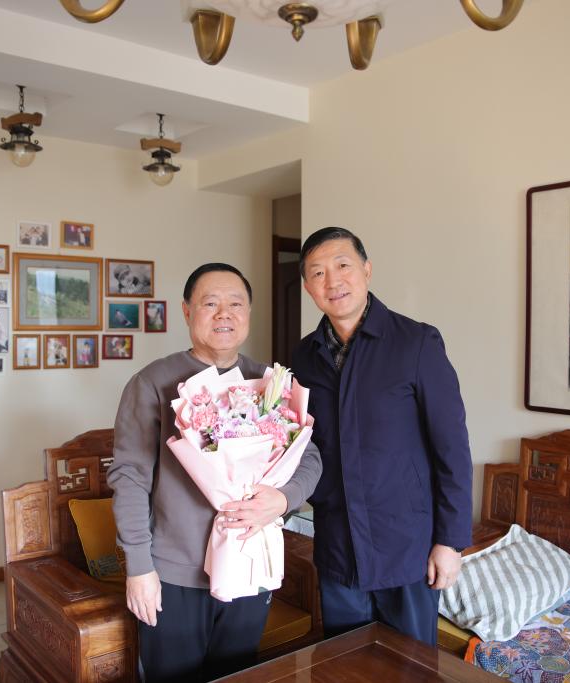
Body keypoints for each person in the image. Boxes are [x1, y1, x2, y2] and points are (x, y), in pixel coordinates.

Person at [107, 263, 322, 683]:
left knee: (239, 675)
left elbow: (310, 457)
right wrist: (139, 568)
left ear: (248, 313)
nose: (224, 313)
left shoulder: (270, 383)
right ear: (187, 311)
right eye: (210, 303)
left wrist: (283, 499)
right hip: (175, 574)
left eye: (235, 304)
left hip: (249, 564)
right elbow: (129, 478)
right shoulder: (153, 382)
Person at [292, 227, 473, 647]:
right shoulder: (303, 357)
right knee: (345, 664)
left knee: (411, 667)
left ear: (367, 270)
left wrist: (450, 542)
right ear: (308, 288)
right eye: (318, 273)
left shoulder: (416, 343)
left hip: (407, 548)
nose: (332, 281)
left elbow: (452, 449)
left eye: (343, 265)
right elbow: (301, 447)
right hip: (338, 546)